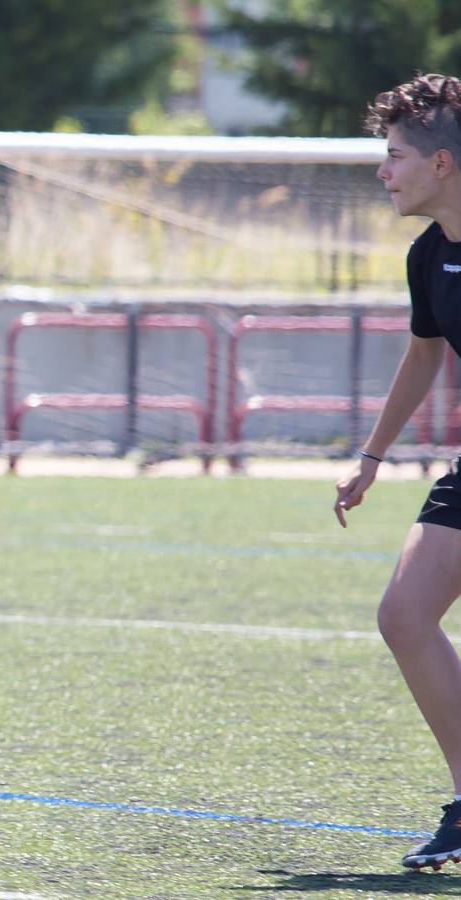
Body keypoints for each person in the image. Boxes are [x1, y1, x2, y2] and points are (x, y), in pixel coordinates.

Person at [339, 73, 461, 871]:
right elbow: (424, 351)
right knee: (404, 616)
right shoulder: (429, 255)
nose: (384, 172)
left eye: (394, 157)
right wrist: (372, 457)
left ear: (442, 164)